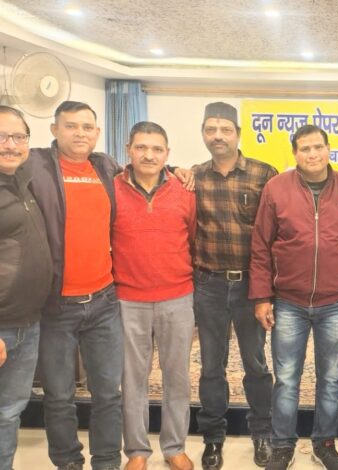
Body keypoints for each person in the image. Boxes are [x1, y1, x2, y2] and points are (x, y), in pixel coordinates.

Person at [249, 124, 338, 470]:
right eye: (305, 149)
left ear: (329, 149)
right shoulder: (276, 189)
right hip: (288, 302)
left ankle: (325, 444)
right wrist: (261, 297)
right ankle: (282, 446)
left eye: (318, 147)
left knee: (331, 378)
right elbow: (260, 246)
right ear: (295, 154)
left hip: (335, 303)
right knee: (287, 379)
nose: (313, 154)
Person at [28, 101, 124, 470]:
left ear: (97, 133)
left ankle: (106, 461)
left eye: (87, 127)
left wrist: (180, 170)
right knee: (58, 395)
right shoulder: (34, 165)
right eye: (71, 126)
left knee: (108, 393)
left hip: (104, 301)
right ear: (55, 129)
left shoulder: (105, 167)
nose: (80, 133)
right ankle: (68, 461)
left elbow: (143, 172)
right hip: (55, 305)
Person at [191, 102, 278, 469]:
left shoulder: (264, 173)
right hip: (208, 285)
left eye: (225, 129)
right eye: (211, 129)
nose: (218, 136)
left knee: (256, 364)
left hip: (250, 287)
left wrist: (268, 291)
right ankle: (213, 438)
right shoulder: (193, 177)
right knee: (212, 366)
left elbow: (275, 234)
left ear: (238, 134)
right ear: (203, 134)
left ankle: (263, 434)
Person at [112, 122, 196, 470]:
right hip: (127, 299)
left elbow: (192, 239)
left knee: (177, 376)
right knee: (133, 378)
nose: (149, 155)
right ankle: (136, 451)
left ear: (167, 154)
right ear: (128, 150)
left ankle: (174, 446)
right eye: (141, 147)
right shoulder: (111, 189)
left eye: (157, 149)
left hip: (177, 296)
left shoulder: (184, 191)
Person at [0, 105, 53, 470]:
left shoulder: (21, 180)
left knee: (10, 411)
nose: (11, 144)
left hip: (27, 324)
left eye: (18, 136)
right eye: (2, 136)